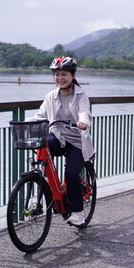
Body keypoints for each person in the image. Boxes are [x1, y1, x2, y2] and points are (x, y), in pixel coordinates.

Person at [30, 56, 94, 226]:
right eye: (57, 75)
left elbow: (84, 113)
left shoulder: (81, 95)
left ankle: (78, 213)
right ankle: (49, 186)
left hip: (77, 141)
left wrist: (83, 122)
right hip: (58, 137)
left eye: (64, 74)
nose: (60, 78)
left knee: (72, 175)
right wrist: (29, 122)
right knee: (41, 148)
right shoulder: (51, 95)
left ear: (73, 76)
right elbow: (40, 115)